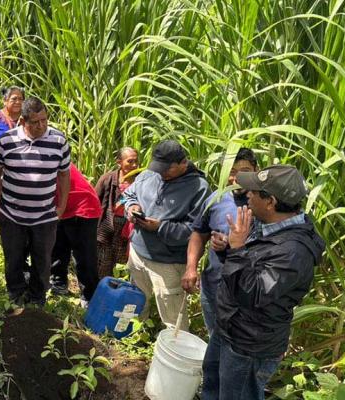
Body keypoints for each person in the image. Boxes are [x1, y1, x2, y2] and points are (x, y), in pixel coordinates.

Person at [202, 165, 324, 400]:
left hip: (249, 345)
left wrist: (237, 249)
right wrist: (228, 249)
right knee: (213, 384)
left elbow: (254, 293)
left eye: (254, 192)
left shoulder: (293, 252)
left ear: (271, 202)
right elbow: (251, 267)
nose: (247, 195)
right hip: (230, 327)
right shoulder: (268, 226)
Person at [0, 97, 71, 306]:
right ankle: (15, 295)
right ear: (24, 121)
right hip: (12, 214)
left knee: (42, 260)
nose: (41, 126)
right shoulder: (6, 141)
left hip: (44, 215)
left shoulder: (59, 141)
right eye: (35, 122)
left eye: (44, 120)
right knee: (14, 258)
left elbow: (64, 175)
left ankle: (37, 298)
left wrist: (60, 208)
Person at [123, 139, 210, 330]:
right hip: (138, 253)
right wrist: (132, 208)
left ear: (182, 163)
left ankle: (175, 352)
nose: (160, 173)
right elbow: (129, 195)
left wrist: (161, 227)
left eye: (166, 169)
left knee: (172, 317)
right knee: (136, 302)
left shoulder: (199, 188)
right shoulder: (150, 175)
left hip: (167, 262)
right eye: (157, 167)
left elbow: (196, 231)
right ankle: (134, 336)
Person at [182, 147, 257, 337]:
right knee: (215, 337)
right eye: (232, 172)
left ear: (256, 170)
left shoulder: (264, 204)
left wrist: (232, 245)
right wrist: (191, 267)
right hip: (213, 287)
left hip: (246, 294)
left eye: (245, 172)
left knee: (237, 344)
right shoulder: (216, 198)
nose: (237, 178)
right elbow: (199, 233)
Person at [49, 163, 101, 303]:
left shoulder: (53, 156)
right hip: (62, 209)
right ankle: (58, 283)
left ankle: (90, 297)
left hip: (82, 207)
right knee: (58, 246)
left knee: (84, 256)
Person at [94, 147, 139, 278]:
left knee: (122, 265)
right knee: (103, 263)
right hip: (107, 225)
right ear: (119, 162)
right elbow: (95, 200)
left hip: (128, 228)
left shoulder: (141, 180)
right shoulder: (107, 179)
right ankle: (100, 292)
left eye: (136, 162)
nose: (134, 165)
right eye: (130, 162)